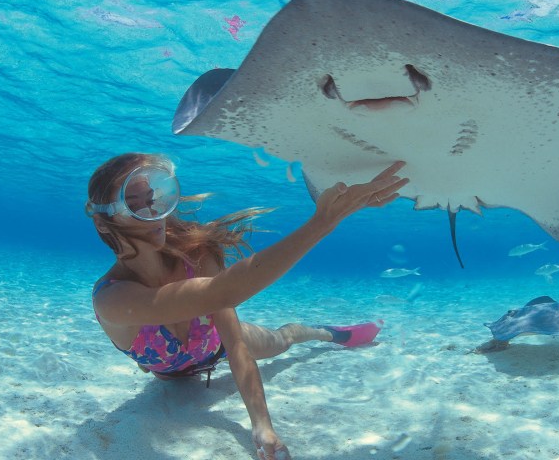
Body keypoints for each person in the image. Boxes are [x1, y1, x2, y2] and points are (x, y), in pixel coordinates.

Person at [85, 153, 408, 460]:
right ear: (103, 222)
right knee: (162, 357)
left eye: (154, 198)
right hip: (167, 372)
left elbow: (232, 334)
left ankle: (325, 333)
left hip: (216, 346)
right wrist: (322, 221)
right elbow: (221, 292)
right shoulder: (112, 299)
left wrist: (262, 426)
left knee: (282, 340)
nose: (155, 214)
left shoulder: (197, 257)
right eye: (134, 204)